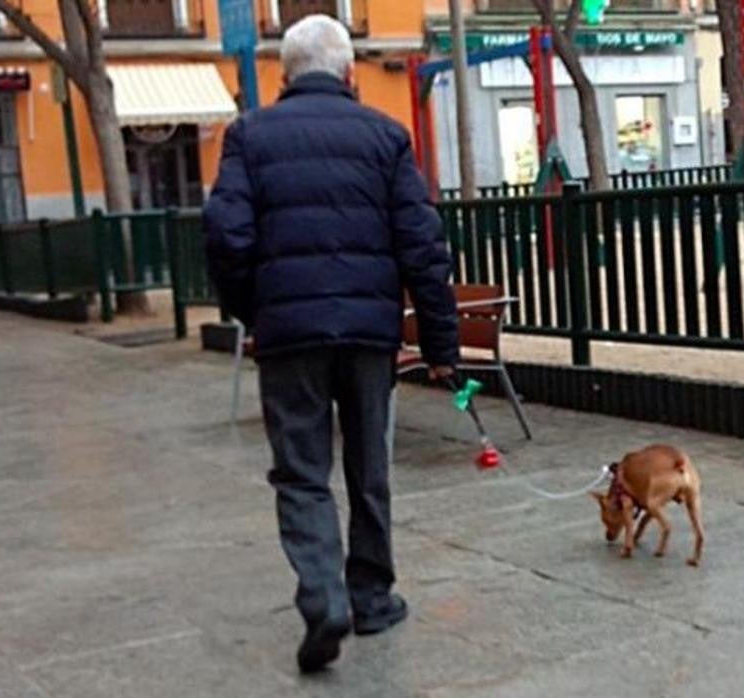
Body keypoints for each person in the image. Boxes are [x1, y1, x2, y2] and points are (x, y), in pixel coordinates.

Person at [203, 14, 459, 674]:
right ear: (349, 74)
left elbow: (226, 234)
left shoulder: (249, 136)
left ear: (283, 76)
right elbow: (423, 247)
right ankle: (371, 597)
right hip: (370, 335)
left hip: (289, 337)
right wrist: (440, 344)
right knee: (369, 465)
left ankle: (323, 597)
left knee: (301, 472)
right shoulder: (385, 136)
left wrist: (250, 310)